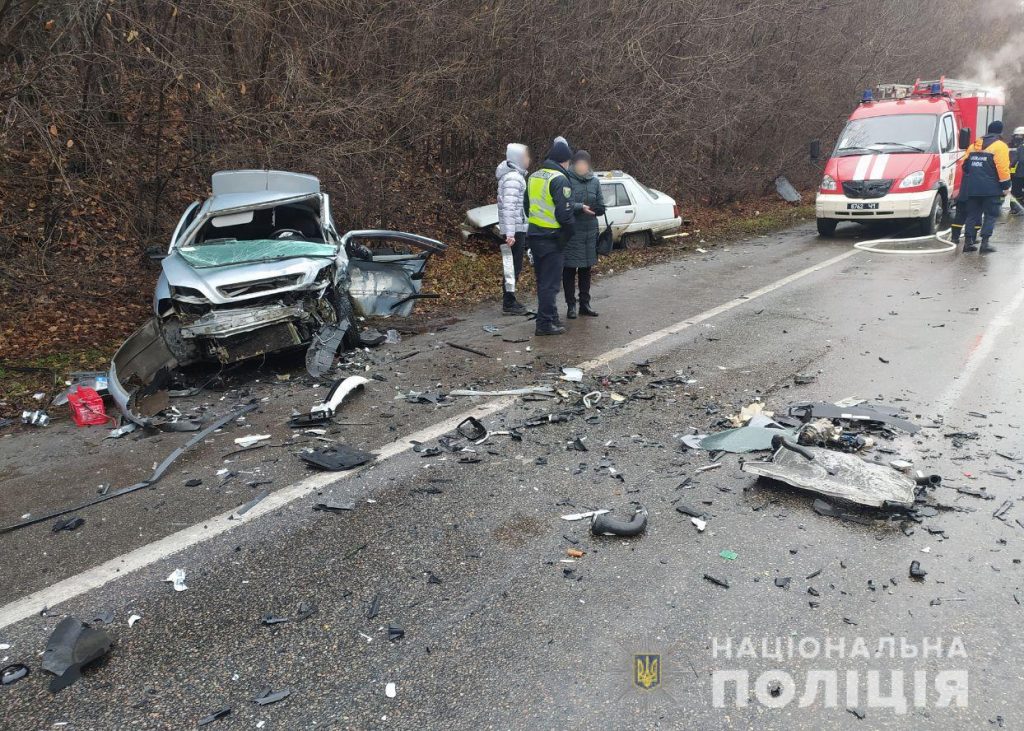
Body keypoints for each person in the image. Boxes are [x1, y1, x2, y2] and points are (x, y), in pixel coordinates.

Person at [525, 136, 575, 335]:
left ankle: (551, 318)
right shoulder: (559, 179)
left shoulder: (535, 176)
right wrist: (566, 235)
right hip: (552, 238)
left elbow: (526, 206)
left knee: (542, 281)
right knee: (551, 285)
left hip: (535, 235)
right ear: (565, 160)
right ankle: (544, 324)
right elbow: (565, 215)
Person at [562, 150, 604, 318]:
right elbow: (564, 204)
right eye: (580, 163)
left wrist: (599, 209)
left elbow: (600, 203)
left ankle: (585, 304)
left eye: (585, 163)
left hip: (590, 231)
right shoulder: (566, 179)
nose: (583, 166)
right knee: (570, 269)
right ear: (574, 163)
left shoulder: (595, 181)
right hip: (572, 231)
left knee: (586, 269)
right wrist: (580, 207)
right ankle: (571, 305)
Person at [961, 120, 1011, 253]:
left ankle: (968, 243)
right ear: (1000, 131)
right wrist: (1006, 185)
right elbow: (1003, 168)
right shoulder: (1000, 146)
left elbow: (965, 166)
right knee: (990, 215)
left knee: (972, 215)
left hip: (972, 188)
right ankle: (984, 244)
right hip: (991, 189)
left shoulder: (974, 145)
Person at [495, 143, 531, 315]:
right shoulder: (513, 179)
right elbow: (509, 207)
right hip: (514, 229)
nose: (528, 159)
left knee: (513, 265)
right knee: (512, 266)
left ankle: (510, 299)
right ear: (517, 158)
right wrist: (510, 233)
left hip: (516, 227)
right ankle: (509, 302)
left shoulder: (513, 176)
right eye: (525, 156)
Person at [1009, 127, 1024, 215]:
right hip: (1015, 173)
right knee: (1016, 192)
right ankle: (1016, 208)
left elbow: (1019, 160)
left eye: (1020, 135)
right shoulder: (1009, 145)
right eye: (1016, 135)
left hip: (1018, 173)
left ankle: (1016, 208)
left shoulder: (1021, 146)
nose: (1018, 137)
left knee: (1016, 192)